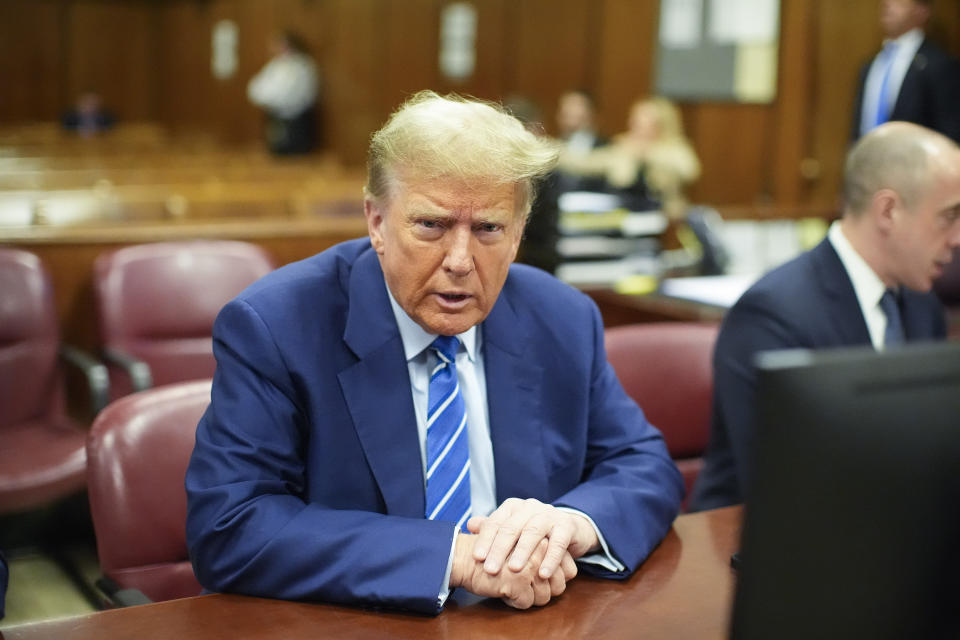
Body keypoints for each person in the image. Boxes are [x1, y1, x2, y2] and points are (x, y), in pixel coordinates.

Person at [185, 91, 684, 614]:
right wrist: (456, 558)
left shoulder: (560, 317)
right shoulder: (278, 325)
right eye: (432, 225)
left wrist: (572, 524)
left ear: (517, 236)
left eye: (489, 228)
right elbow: (231, 525)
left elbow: (643, 464)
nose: (461, 260)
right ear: (377, 222)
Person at [689, 122, 960, 512]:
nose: (955, 238)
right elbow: (788, 480)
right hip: (750, 547)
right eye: (948, 216)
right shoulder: (773, 313)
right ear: (888, 210)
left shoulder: (923, 307)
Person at [559, 96, 700, 218]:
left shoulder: (674, 148)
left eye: (643, 119)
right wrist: (555, 152)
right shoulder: (623, 147)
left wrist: (646, 153)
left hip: (665, 217)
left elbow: (689, 170)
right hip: (625, 215)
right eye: (635, 118)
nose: (634, 123)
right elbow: (587, 163)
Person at [851, 0, 960, 143]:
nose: (887, 4)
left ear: (922, 11)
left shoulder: (939, 66)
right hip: (866, 162)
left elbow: (949, 133)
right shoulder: (871, 64)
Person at [247, 30, 320, 155]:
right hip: (275, 117)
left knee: (295, 158)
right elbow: (255, 88)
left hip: (296, 120)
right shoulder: (276, 64)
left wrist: (269, 98)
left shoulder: (302, 66)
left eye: (279, 44)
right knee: (277, 154)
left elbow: (288, 95)